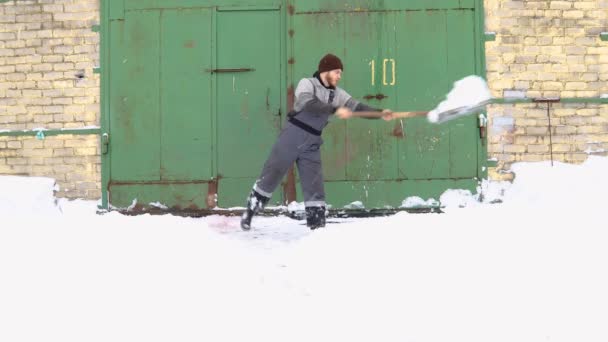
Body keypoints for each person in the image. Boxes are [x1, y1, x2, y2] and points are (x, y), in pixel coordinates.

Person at [241, 53, 393, 230]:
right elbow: (308, 103)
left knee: (315, 187)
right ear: (325, 70)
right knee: (271, 175)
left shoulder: (338, 94)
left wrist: (380, 113)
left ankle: (317, 228)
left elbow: (357, 107)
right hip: (293, 136)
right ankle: (249, 215)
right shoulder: (307, 84)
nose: (339, 76)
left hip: (312, 142)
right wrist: (335, 109)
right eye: (337, 72)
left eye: (340, 73)